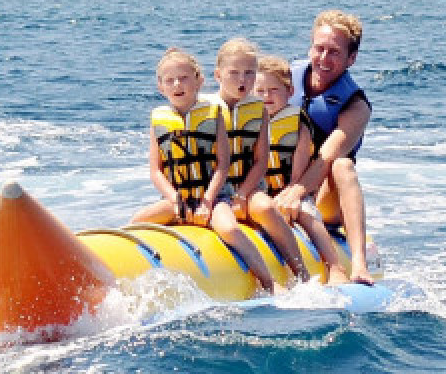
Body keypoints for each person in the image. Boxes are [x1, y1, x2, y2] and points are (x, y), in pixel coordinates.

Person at [132, 48, 283, 294]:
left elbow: (223, 164)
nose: (177, 85)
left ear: (199, 81)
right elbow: (156, 171)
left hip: (212, 198)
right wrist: (173, 198)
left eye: (184, 78)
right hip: (177, 200)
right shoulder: (158, 120)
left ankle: (268, 281)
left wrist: (207, 201)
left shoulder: (213, 115)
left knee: (230, 229)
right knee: (137, 221)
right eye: (169, 80)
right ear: (161, 87)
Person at [272, 10, 374, 284]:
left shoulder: (356, 105)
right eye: (319, 48)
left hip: (324, 196)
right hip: (277, 182)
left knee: (343, 164)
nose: (323, 59)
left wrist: (296, 193)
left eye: (334, 52)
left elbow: (326, 156)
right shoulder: (282, 80)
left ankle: (359, 265)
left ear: (351, 59)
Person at [211, 39, 309, 282]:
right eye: (233, 73)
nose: (242, 80)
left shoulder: (259, 111)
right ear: (218, 75)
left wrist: (242, 195)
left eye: (249, 73)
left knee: (265, 208)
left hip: (250, 187)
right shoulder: (206, 109)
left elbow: (260, 161)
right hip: (216, 191)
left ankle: (302, 274)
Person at [255, 55, 350, 285]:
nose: (267, 96)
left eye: (273, 90)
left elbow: (298, 169)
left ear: (289, 92)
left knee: (307, 216)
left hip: (292, 190)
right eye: (260, 90)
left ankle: (335, 267)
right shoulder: (252, 121)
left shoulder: (297, 121)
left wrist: (289, 194)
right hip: (261, 194)